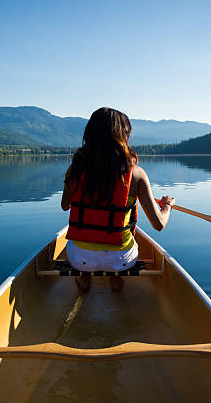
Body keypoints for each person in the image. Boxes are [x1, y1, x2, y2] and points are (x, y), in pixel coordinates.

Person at [61, 107, 174, 291]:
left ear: (90, 135)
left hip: (80, 259)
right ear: (123, 136)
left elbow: (65, 206)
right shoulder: (136, 174)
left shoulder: (75, 169)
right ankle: (116, 279)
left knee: (82, 250)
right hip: (121, 259)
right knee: (122, 246)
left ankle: (84, 278)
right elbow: (159, 224)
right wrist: (167, 205)